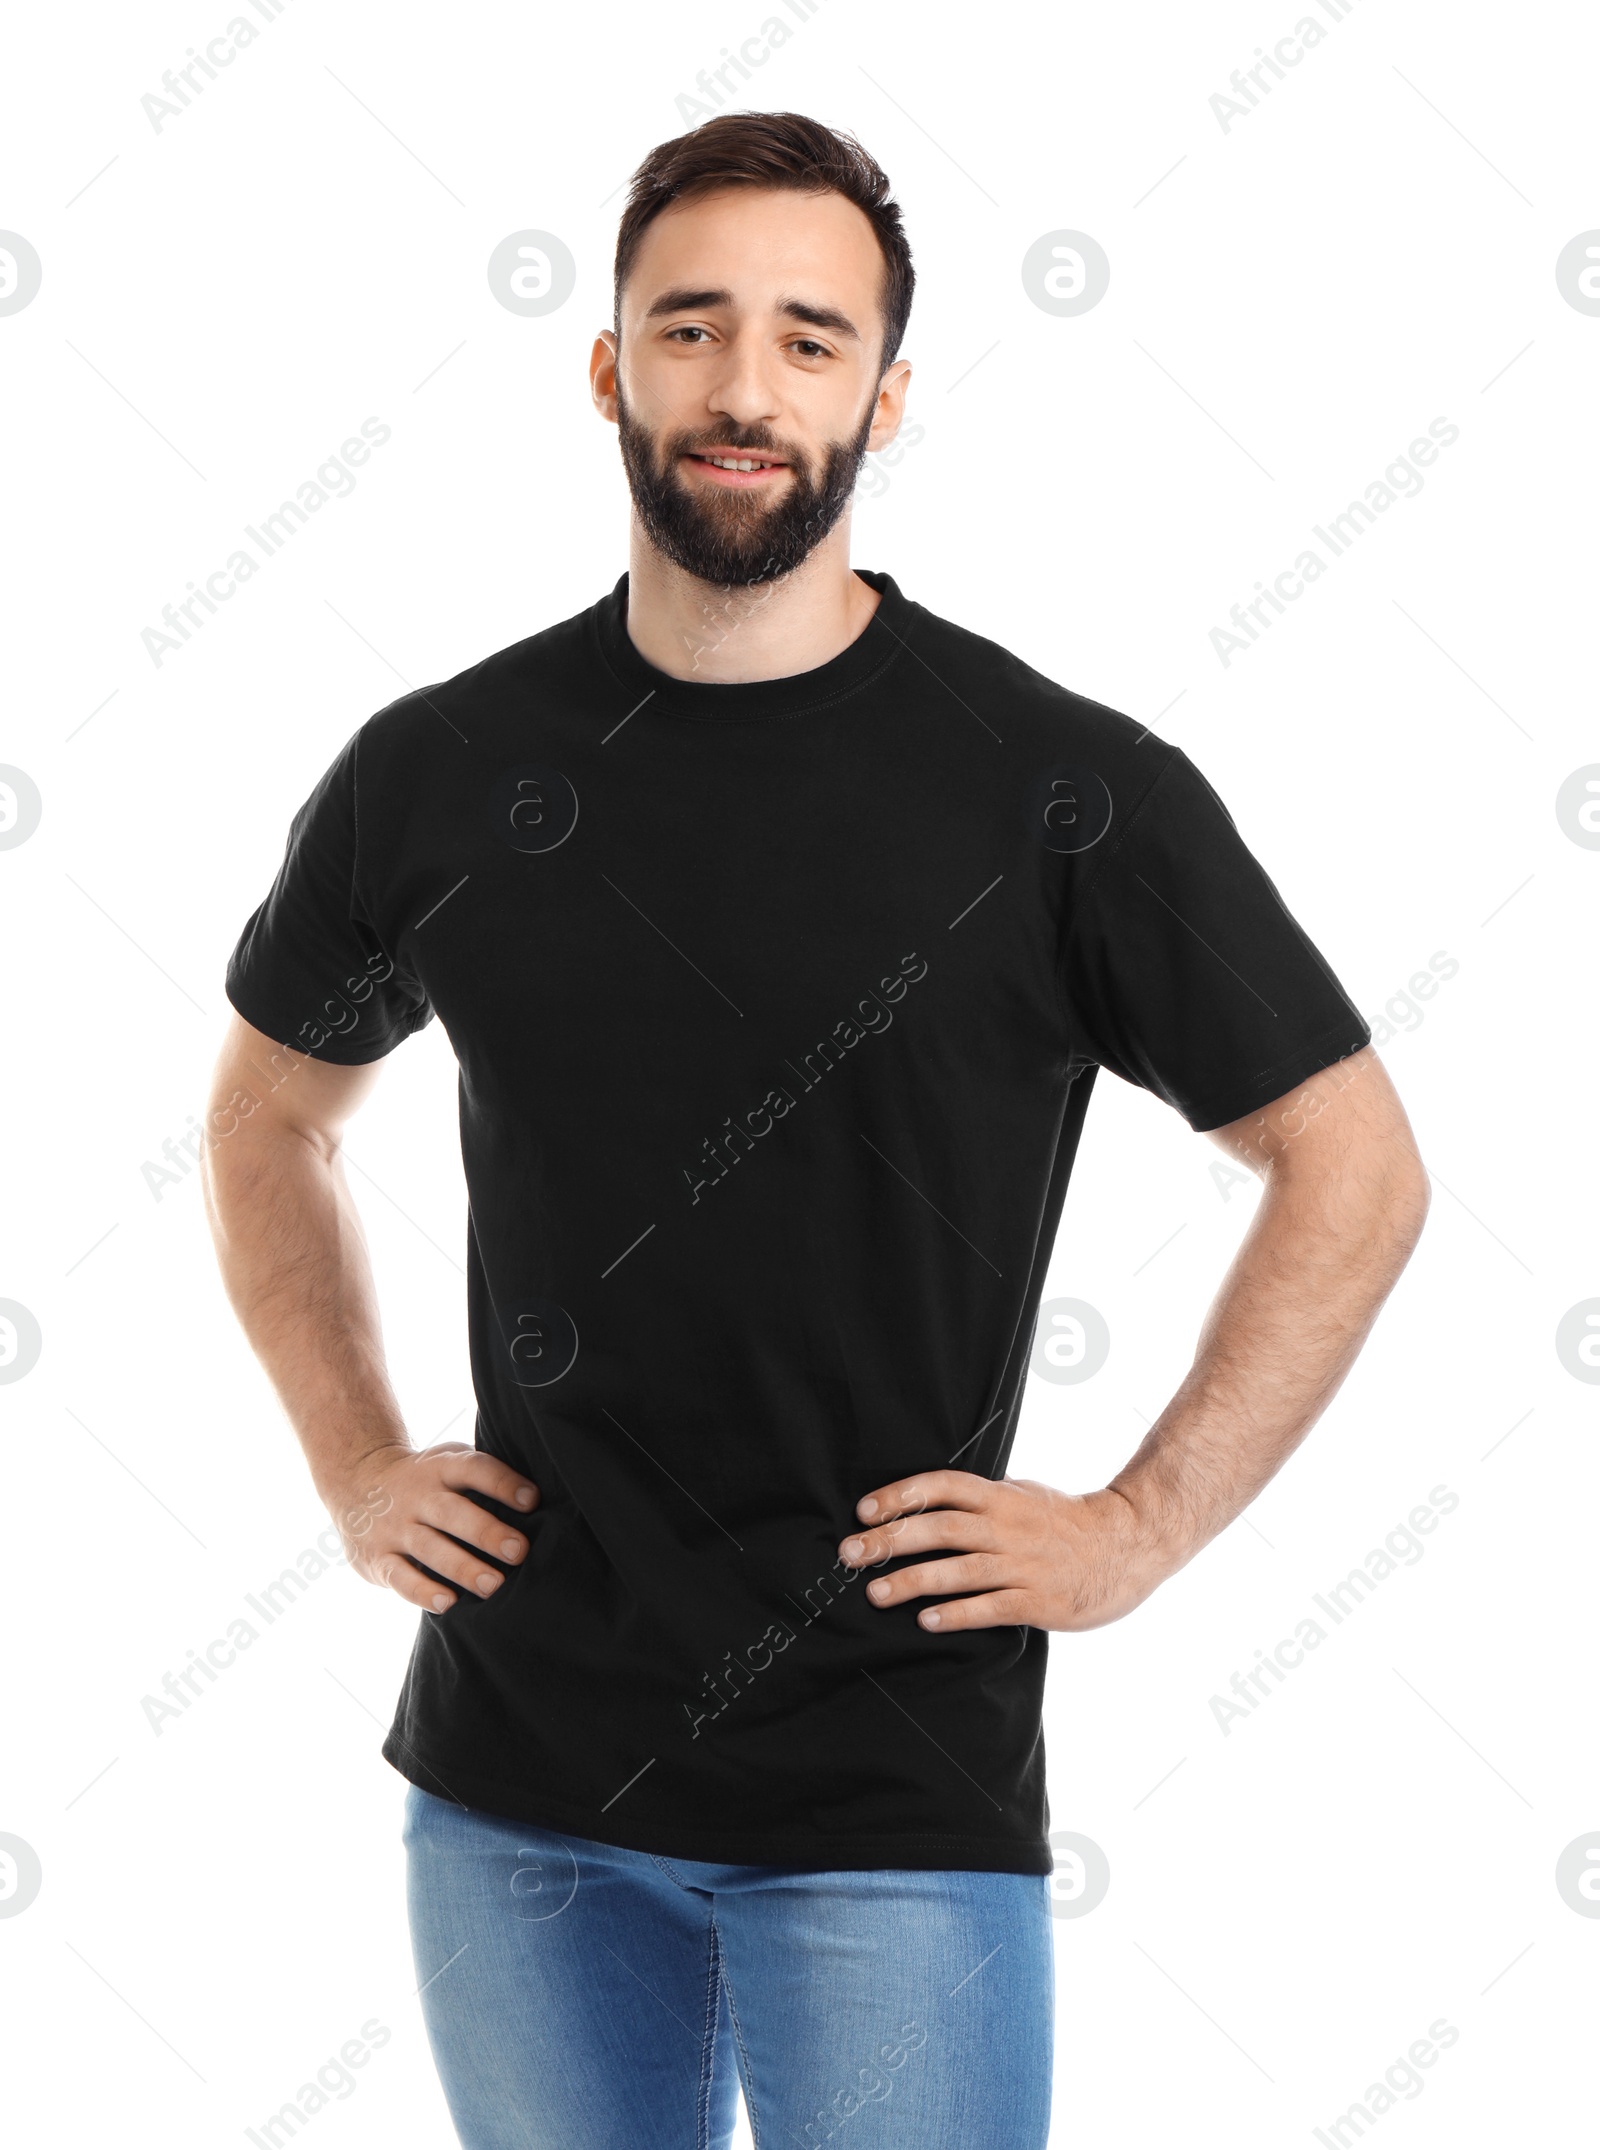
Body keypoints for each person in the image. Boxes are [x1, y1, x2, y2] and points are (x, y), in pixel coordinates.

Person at [203, 110, 1429, 2150]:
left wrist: (1136, 1527)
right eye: (689, 330)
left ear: (881, 388)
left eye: (803, 335)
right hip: (517, 1800)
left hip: (890, 1804)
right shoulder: (439, 773)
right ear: (609, 368)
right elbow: (267, 1114)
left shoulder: (1058, 793)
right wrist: (348, 1458)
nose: (742, 387)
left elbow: (1353, 1163)